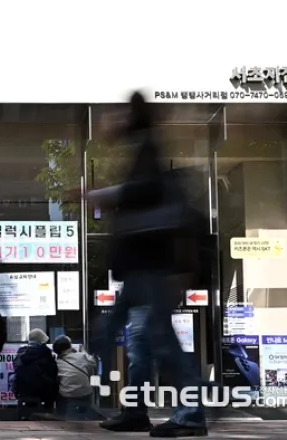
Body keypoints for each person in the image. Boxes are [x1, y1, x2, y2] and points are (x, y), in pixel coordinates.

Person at [90, 92, 207, 437]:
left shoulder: (148, 148)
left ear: (131, 116)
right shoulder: (140, 148)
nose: (109, 121)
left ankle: (191, 414)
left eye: (117, 114)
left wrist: (107, 195)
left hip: (152, 266)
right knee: (136, 342)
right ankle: (136, 411)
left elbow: (147, 192)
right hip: (140, 267)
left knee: (157, 339)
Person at [12, 329, 58, 414]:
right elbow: (53, 372)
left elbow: (16, 369)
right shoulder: (46, 353)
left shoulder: (21, 352)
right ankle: (49, 413)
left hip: (21, 389)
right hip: (42, 391)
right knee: (52, 386)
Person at [52, 336, 97, 419]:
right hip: (85, 392)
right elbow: (93, 363)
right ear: (70, 346)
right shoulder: (81, 356)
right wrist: (83, 351)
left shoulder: (57, 362)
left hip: (67, 394)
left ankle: (61, 415)